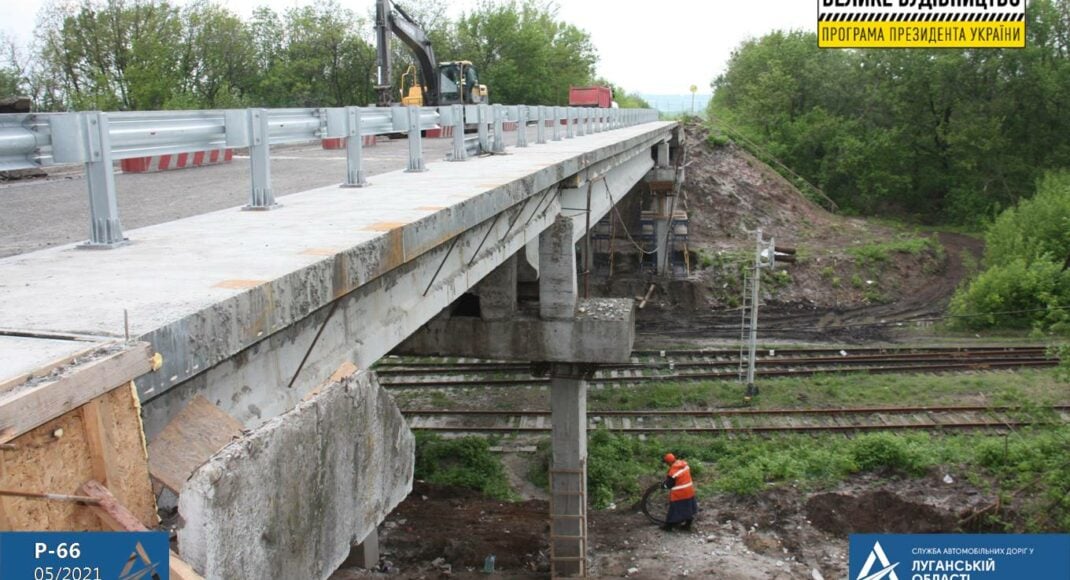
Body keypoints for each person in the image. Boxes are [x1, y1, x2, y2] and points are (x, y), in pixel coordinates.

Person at [661, 453, 697, 531]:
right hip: (689, 491)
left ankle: (668, 527)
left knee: (675, 510)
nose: (667, 465)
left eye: (667, 463)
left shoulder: (673, 471)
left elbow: (668, 485)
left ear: (669, 462)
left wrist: (663, 486)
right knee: (688, 508)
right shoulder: (684, 465)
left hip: (680, 494)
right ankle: (687, 525)